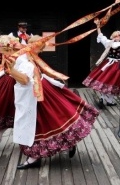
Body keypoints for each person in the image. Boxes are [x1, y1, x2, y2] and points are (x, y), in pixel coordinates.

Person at [8, 36, 100, 170]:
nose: (38, 49)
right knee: (47, 121)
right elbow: (25, 78)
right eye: (36, 45)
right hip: (34, 94)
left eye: (40, 47)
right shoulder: (24, 58)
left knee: (43, 122)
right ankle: (43, 154)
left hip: (37, 94)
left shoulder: (27, 59)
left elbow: (24, 80)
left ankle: (35, 157)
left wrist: (12, 70)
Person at [82, 19, 120, 107]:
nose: (117, 38)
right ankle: (103, 98)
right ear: (113, 37)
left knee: (114, 82)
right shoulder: (109, 43)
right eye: (115, 36)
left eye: (118, 36)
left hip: (117, 65)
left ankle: (109, 101)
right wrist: (98, 26)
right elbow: (100, 35)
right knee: (106, 80)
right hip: (110, 64)